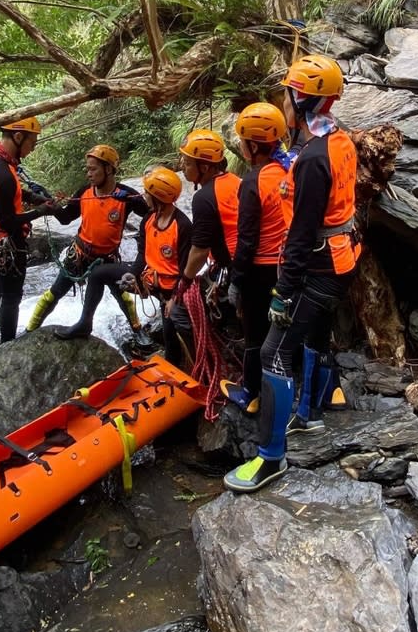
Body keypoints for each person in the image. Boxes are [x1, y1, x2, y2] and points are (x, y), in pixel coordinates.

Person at [223, 54, 362, 493]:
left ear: (299, 99)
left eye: (287, 94)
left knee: (273, 354)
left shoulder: (313, 160)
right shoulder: (339, 139)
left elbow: (300, 235)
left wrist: (283, 292)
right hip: (342, 256)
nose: (283, 102)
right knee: (314, 336)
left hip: (317, 266)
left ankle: (270, 459)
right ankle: (309, 415)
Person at [55, 167, 192, 364]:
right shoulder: (149, 220)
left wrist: (175, 299)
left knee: (171, 340)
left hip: (171, 290)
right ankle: (85, 323)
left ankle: (178, 372)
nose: (144, 196)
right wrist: (133, 275)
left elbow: (186, 268)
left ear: (158, 197)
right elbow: (143, 255)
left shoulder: (182, 225)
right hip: (149, 279)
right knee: (98, 274)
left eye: (148, 193)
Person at [27, 144, 149, 334]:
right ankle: (30, 330)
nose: (88, 174)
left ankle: (138, 331)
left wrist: (144, 237)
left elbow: (152, 216)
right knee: (53, 294)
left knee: (122, 296)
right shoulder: (85, 192)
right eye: (88, 169)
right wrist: (46, 200)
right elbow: (66, 218)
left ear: (108, 169)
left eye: (93, 169)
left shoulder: (127, 196)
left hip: (107, 259)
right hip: (80, 253)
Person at [219, 103, 290, 415]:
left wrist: (236, 279)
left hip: (260, 270)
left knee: (254, 332)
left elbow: (246, 240)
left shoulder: (253, 182)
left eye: (243, 141)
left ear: (251, 145)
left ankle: (250, 393)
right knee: (280, 331)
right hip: (288, 266)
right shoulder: (288, 169)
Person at [166, 129, 242, 360]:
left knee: (177, 311)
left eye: (187, 163)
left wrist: (183, 285)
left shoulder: (204, 197)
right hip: (246, 265)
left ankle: (209, 360)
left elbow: (199, 250)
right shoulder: (236, 181)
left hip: (233, 270)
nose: (182, 167)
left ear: (205, 167)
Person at [0, 117, 47, 351]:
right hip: (7, 243)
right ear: (18, 137)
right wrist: (40, 211)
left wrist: (29, 196)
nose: (33, 147)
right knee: (11, 296)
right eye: (32, 141)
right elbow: (8, 221)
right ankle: (7, 348)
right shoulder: (3, 174)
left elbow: (4, 194)